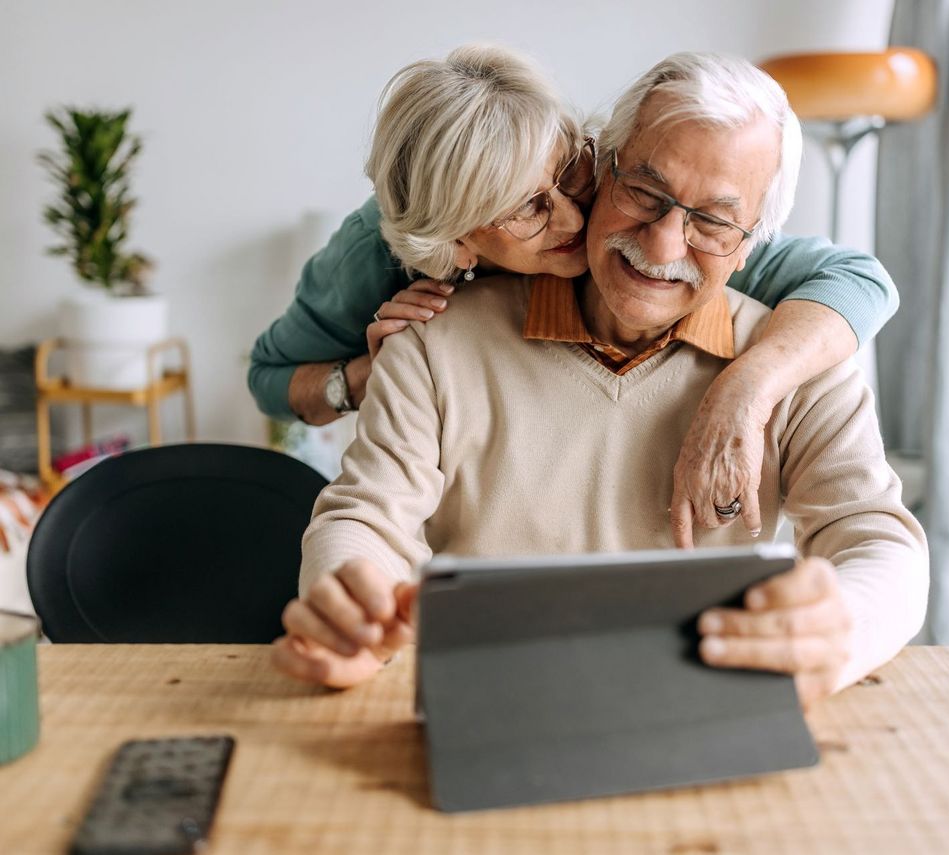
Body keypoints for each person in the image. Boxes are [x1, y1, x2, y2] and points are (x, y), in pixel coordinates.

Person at [271, 51, 929, 706]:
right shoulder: (426, 341)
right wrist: (353, 600)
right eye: (645, 192)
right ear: (603, 169)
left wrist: (844, 625)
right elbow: (364, 518)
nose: (665, 245)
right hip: (490, 697)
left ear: (755, 240)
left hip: (700, 704)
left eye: (713, 221)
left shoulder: (800, 356)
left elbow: (878, 542)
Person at [247, 45, 900, 546]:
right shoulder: (376, 260)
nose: (572, 217)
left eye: (569, 170)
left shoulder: (647, 212)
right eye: (528, 209)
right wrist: (371, 375)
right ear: (459, 246)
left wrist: (746, 389)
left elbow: (863, 282)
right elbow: (272, 382)